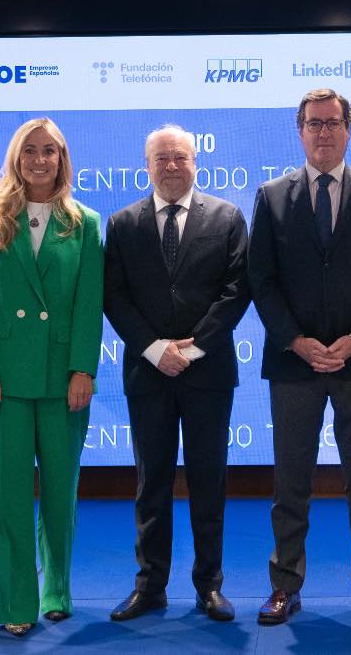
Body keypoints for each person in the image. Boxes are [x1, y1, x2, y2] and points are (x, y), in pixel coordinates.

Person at [248, 88, 351, 627]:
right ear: (300, 130)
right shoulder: (271, 196)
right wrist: (296, 340)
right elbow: (261, 280)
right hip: (295, 362)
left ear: (348, 129)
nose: (323, 132)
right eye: (313, 124)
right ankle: (284, 587)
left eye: (332, 123)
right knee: (291, 482)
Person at [103, 125, 250, 623]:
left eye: (180, 157)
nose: (171, 166)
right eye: (161, 158)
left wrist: (194, 348)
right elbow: (114, 295)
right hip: (148, 374)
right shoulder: (122, 224)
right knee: (152, 484)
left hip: (207, 374)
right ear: (147, 165)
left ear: (196, 161)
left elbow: (236, 290)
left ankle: (209, 586)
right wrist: (153, 348)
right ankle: (151, 587)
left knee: (209, 482)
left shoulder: (228, 217)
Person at [0, 118, 104, 636]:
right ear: (16, 158)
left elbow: (90, 305)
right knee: (6, 496)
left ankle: (57, 591)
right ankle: (16, 604)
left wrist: (82, 371)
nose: (40, 159)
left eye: (50, 150)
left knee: (58, 494)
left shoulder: (86, 222)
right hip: (3, 379)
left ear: (63, 159)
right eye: (31, 150)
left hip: (61, 380)